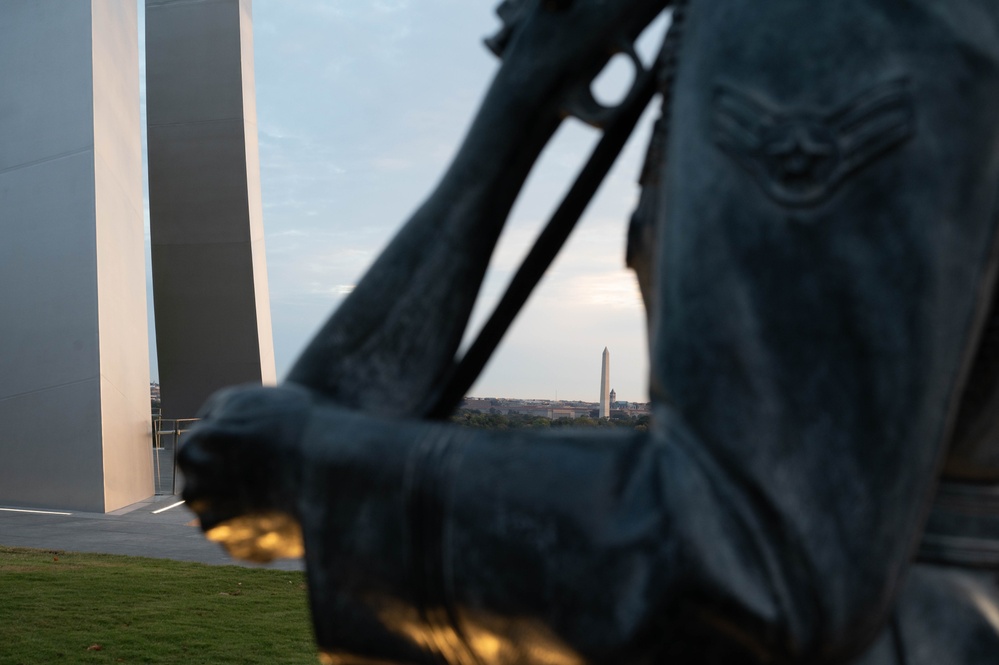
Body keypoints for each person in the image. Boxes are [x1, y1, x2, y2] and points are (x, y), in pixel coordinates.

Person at [180, 1, 999, 662]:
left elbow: (760, 558)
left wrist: (315, 461)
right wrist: (523, 97)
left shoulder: (810, 23)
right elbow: (322, 412)